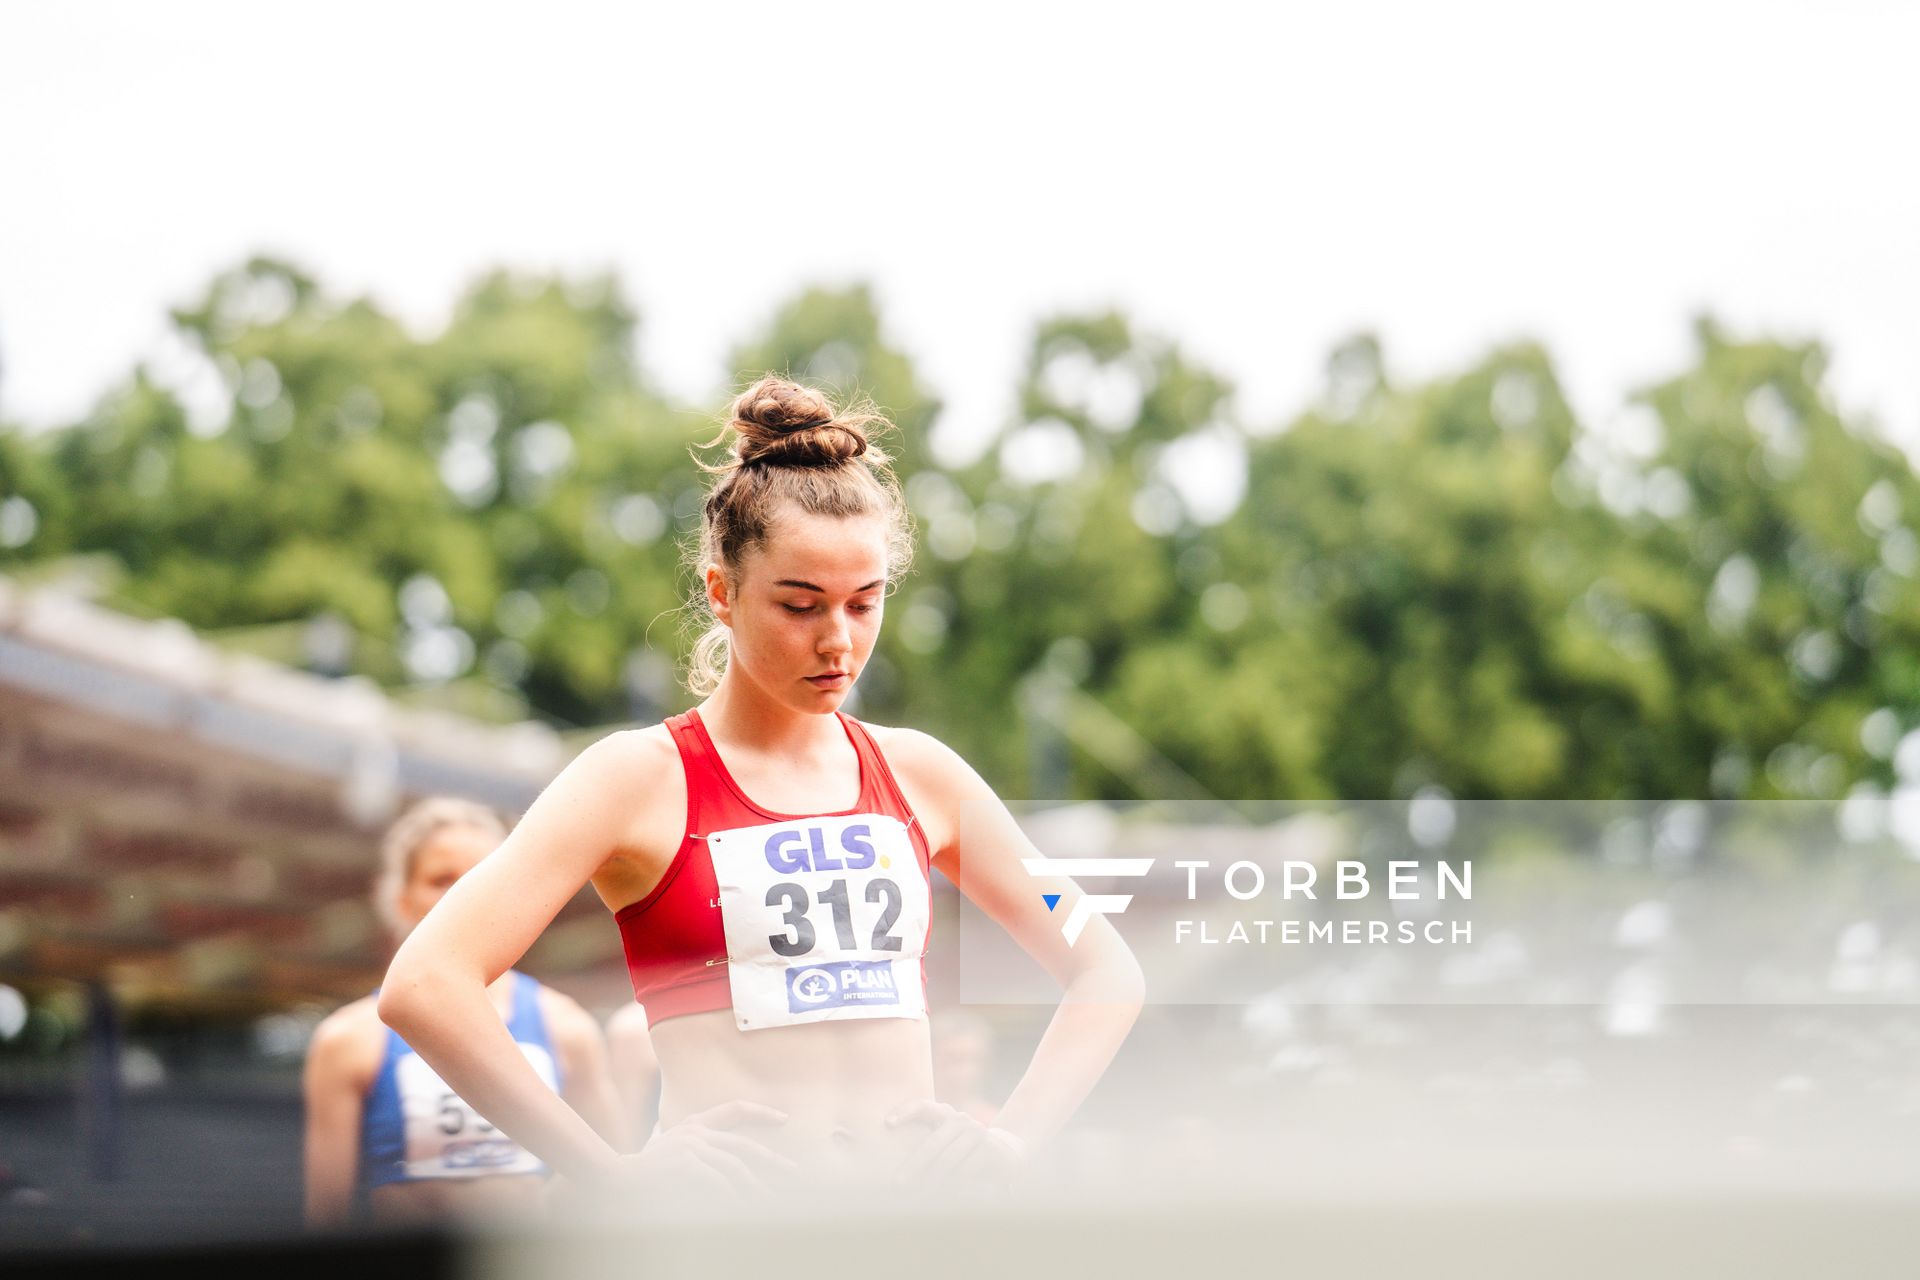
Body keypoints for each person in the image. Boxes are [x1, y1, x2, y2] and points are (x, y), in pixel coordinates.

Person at [379, 375, 1145, 1204]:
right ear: (722, 592)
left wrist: (1011, 1146)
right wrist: (611, 1173)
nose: (838, 641)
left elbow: (1103, 965)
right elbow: (426, 984)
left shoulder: (922, 774)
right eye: (800, 604)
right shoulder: (634, 778)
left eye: (865, 602)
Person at [302, 797, 623, 1228]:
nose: (461, 894)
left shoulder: (567, 1028)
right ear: (402, 899)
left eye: (480, 876)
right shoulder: (348, 1039)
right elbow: (326, 1217)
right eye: (440, 879)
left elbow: (622, 1182)